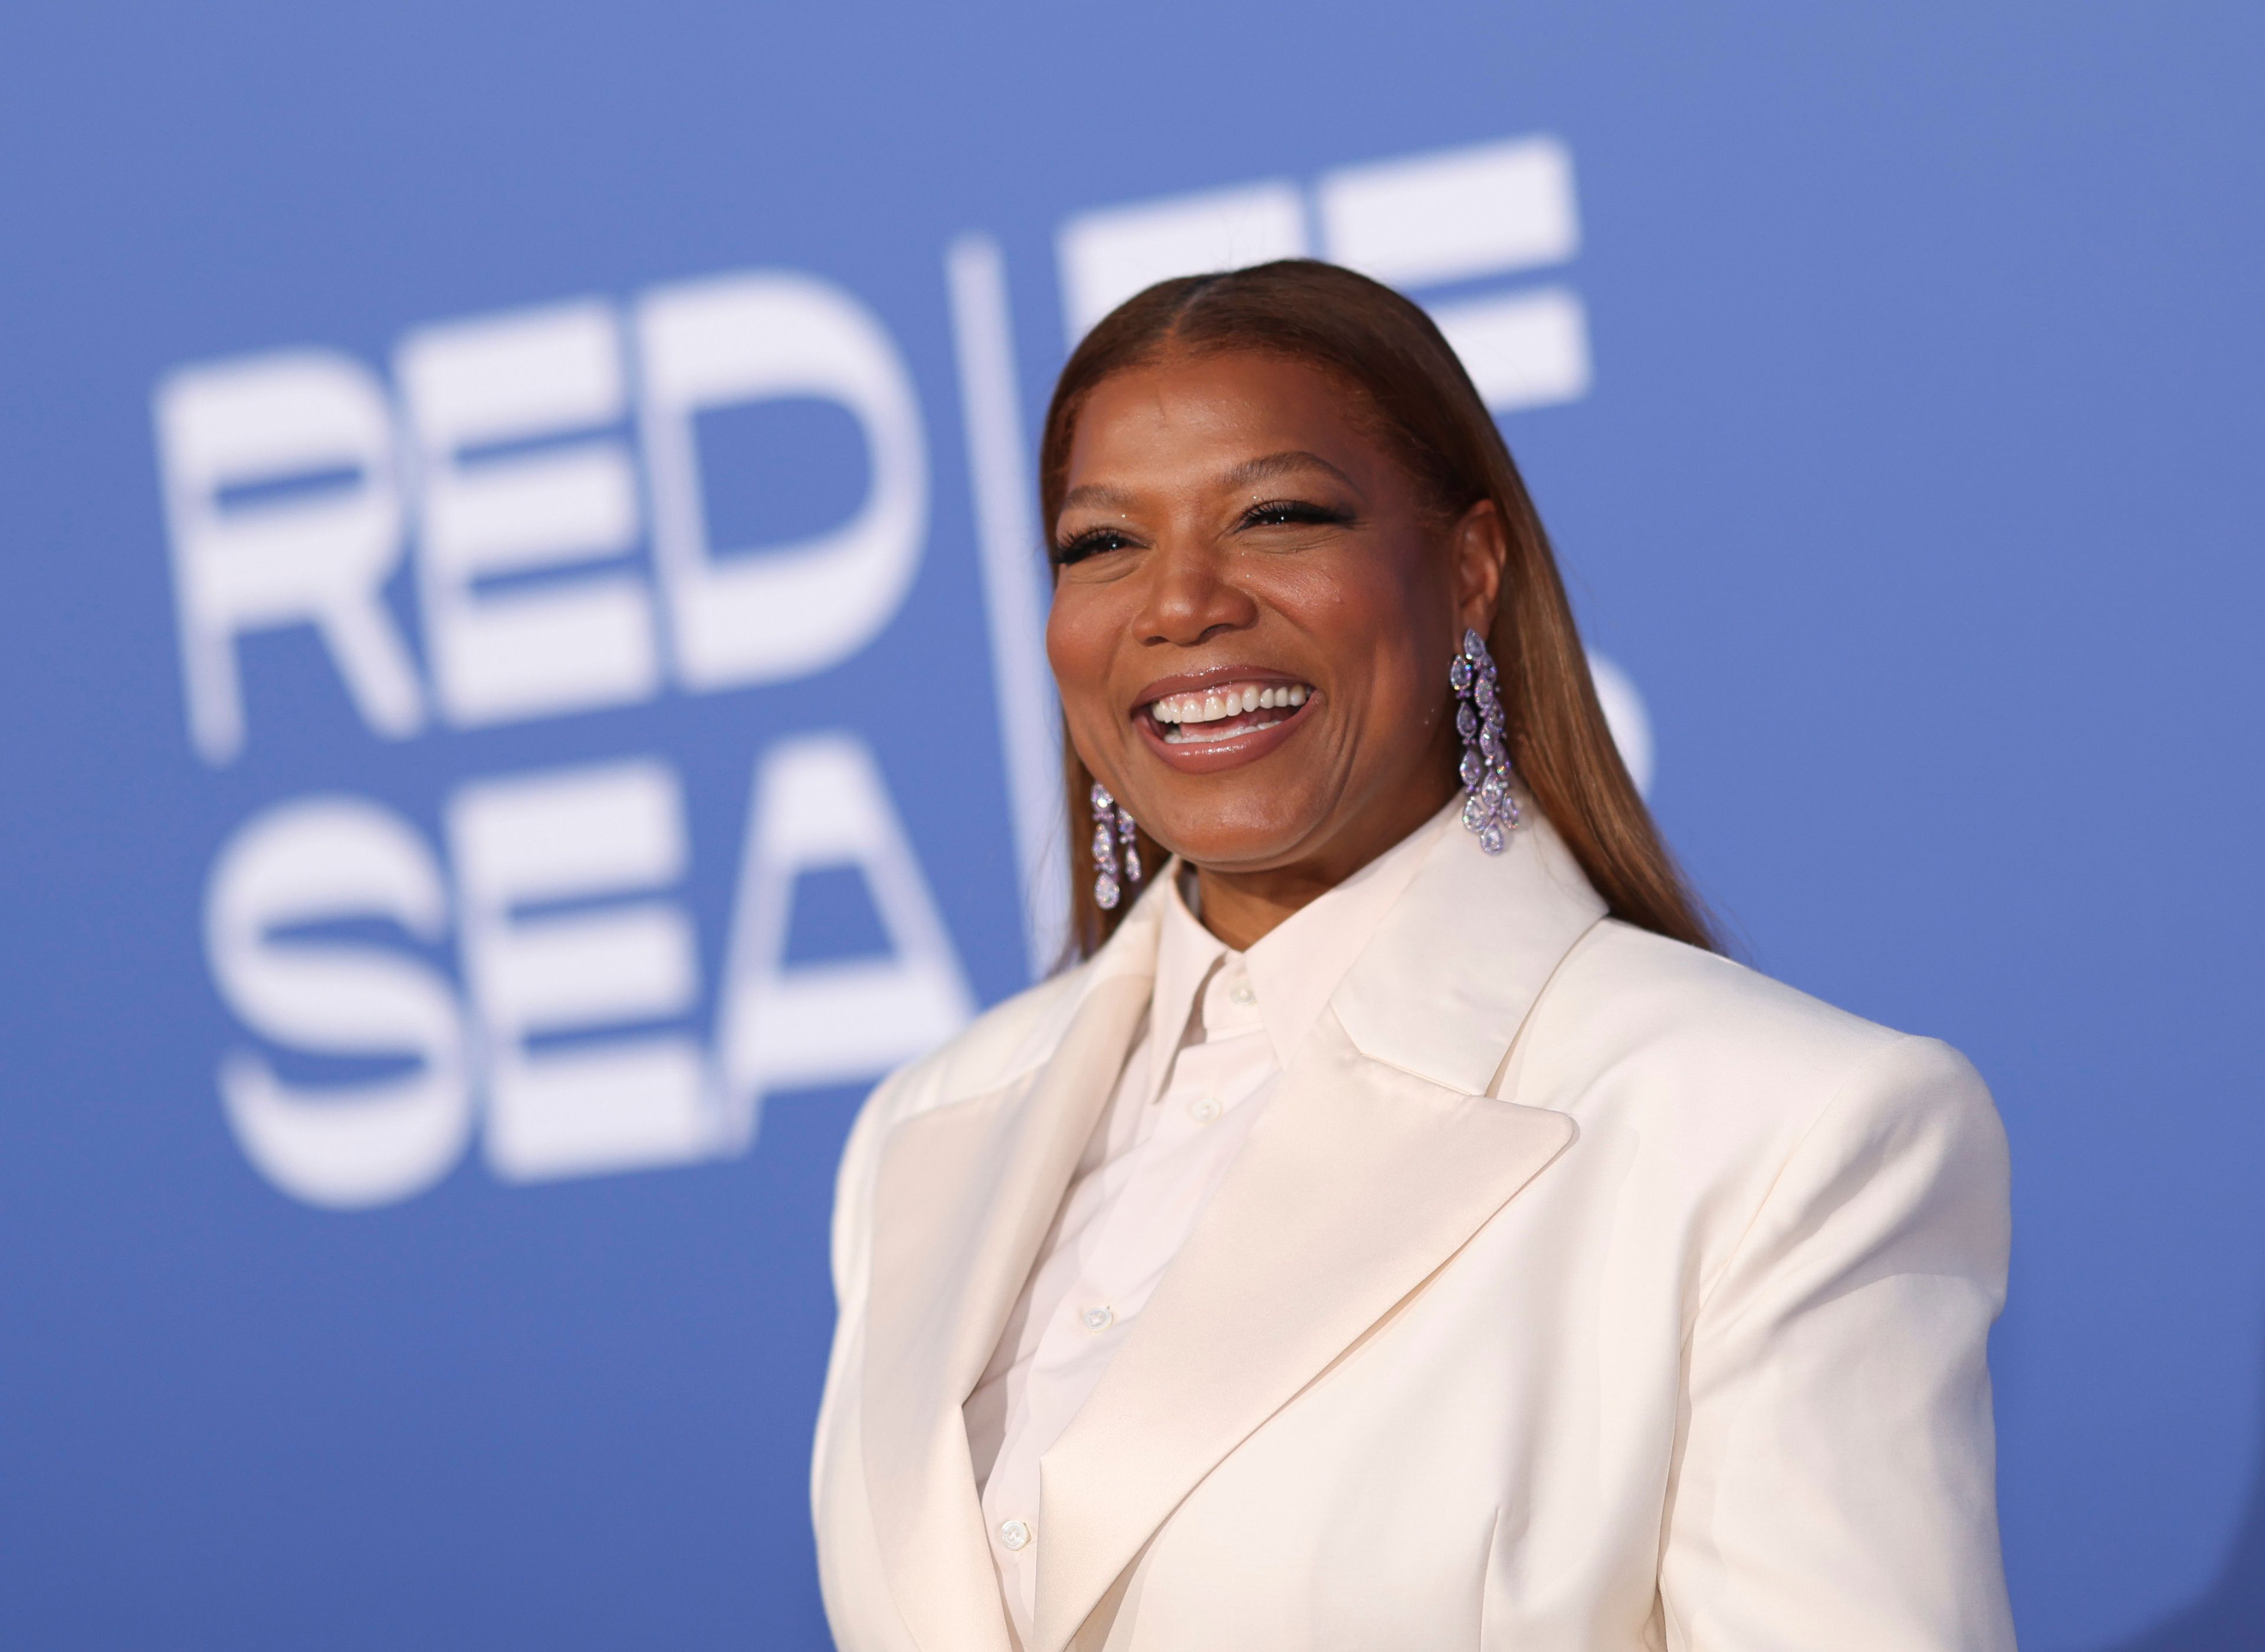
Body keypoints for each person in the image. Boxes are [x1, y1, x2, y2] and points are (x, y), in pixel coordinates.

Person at [810, 260, 2014, 1651]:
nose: (1180, 603)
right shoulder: (924, 1133)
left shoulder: (1782, 1135)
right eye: (1100, 546)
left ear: (1468, 572)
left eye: (1276, 517)